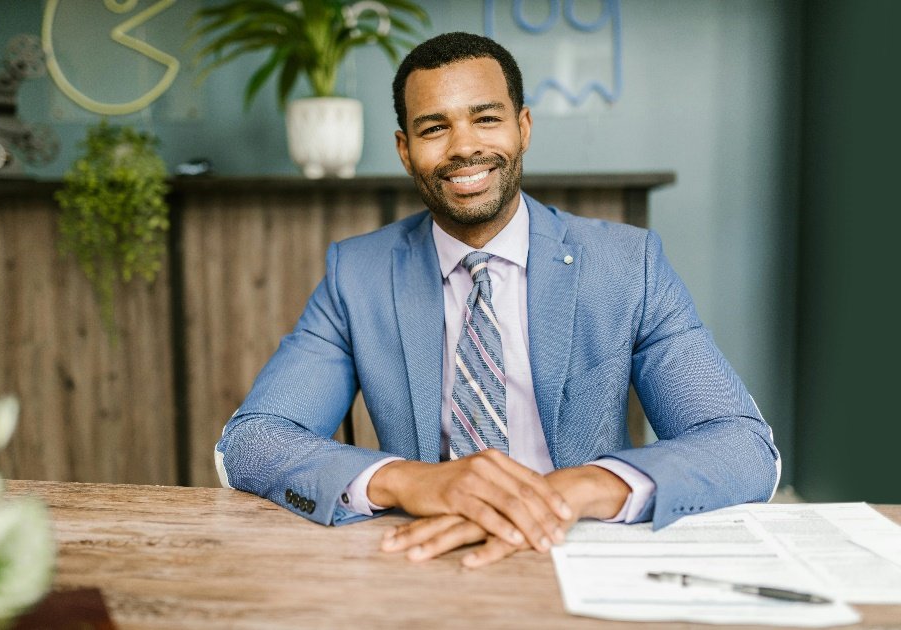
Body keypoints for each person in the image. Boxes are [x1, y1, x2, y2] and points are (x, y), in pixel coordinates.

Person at [215, 32, 780, 568]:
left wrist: (574, 489)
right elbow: (251, 441)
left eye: (486, 119)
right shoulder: (356, 275)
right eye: (434, 128)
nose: (465, 147)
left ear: (523, 127)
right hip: (423, 551)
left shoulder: (629, 265)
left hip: (585, 546)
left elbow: (743, 446)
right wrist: (416, 480)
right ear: (405, 150)